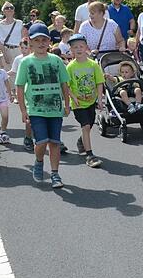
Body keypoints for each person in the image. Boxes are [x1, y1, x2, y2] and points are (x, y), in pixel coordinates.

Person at [15, 24, 71, 188]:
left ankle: (55, 174)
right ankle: (39, 161)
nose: (41, 43)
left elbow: (64, 83)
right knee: (41, 142)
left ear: (49, 42)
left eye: (44, 40)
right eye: (36, 40)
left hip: (55, 108)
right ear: (30, 42)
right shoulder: (26, 62)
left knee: (54, 142)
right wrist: (23, 111)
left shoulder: (56, 60)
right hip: (36, 109)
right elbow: (19, 87)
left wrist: (67, 104)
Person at [66, 33, 105, 168]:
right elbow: (66, 85)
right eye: (75, 47)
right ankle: (90, 155)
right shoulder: (70, 67)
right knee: (86, 126)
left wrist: (100, 100)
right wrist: (73, 97)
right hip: (78, 104)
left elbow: (99, 82)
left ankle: (81, 141)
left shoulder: (93, 65)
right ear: (71, 50)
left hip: (91, 101)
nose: (78, 49)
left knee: (89, 126)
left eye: (81, 46)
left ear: (86, 47)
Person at [9, 39, 34, 150]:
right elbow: (13, 71)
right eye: (22, 48)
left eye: (26, 48)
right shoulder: (18, 59)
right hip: (23, 88)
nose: (24, 50)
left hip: (35, 87)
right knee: (29, 114)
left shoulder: (35, 57)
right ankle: (28, 137)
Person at [0, 2, 24, 71]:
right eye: (7, 8)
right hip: (6, 50)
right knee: (9, 74)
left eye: (11, 8)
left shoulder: (19, 23)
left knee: (20, 73)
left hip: (19, 50)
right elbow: (0, 42)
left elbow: (23, 38)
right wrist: (5, 55)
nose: (9, 9)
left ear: (14, 11)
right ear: (3, 12)